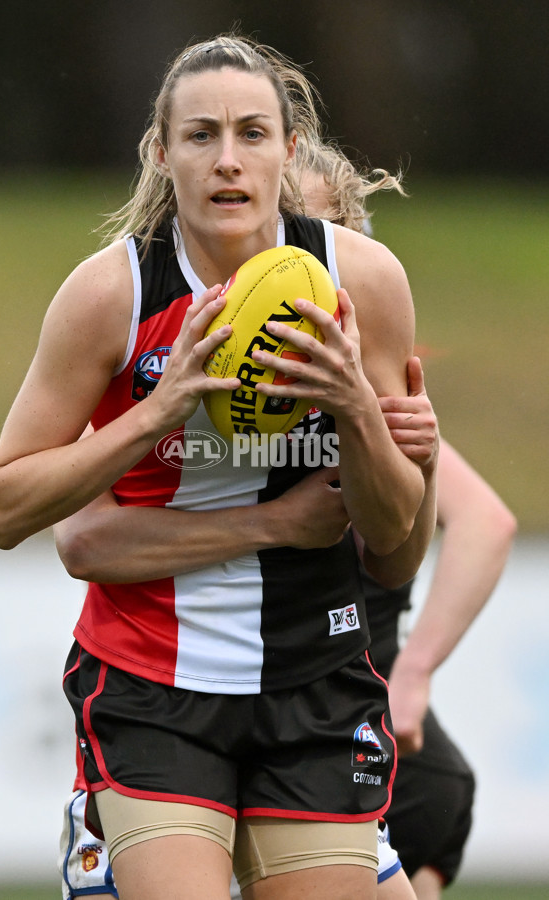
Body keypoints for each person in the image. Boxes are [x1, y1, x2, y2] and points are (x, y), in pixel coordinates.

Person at [0, 34, 437, 900]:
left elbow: (393, 547)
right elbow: (5, 508)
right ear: (162, 152)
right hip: (153, 685)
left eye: (252, 134)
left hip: (317, 677)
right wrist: (158, 410)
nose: (227, 161)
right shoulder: (112, 294)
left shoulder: (363, 283)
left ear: (289, 150)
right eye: (200, 136)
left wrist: (353, 409)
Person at [295, 142, 517, 897]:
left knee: (436, 794)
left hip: (350, 708)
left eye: (316, 240)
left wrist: (412, 674)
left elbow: (484, 523)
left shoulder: (376, 398)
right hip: (218, 708)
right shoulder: (184, 374)